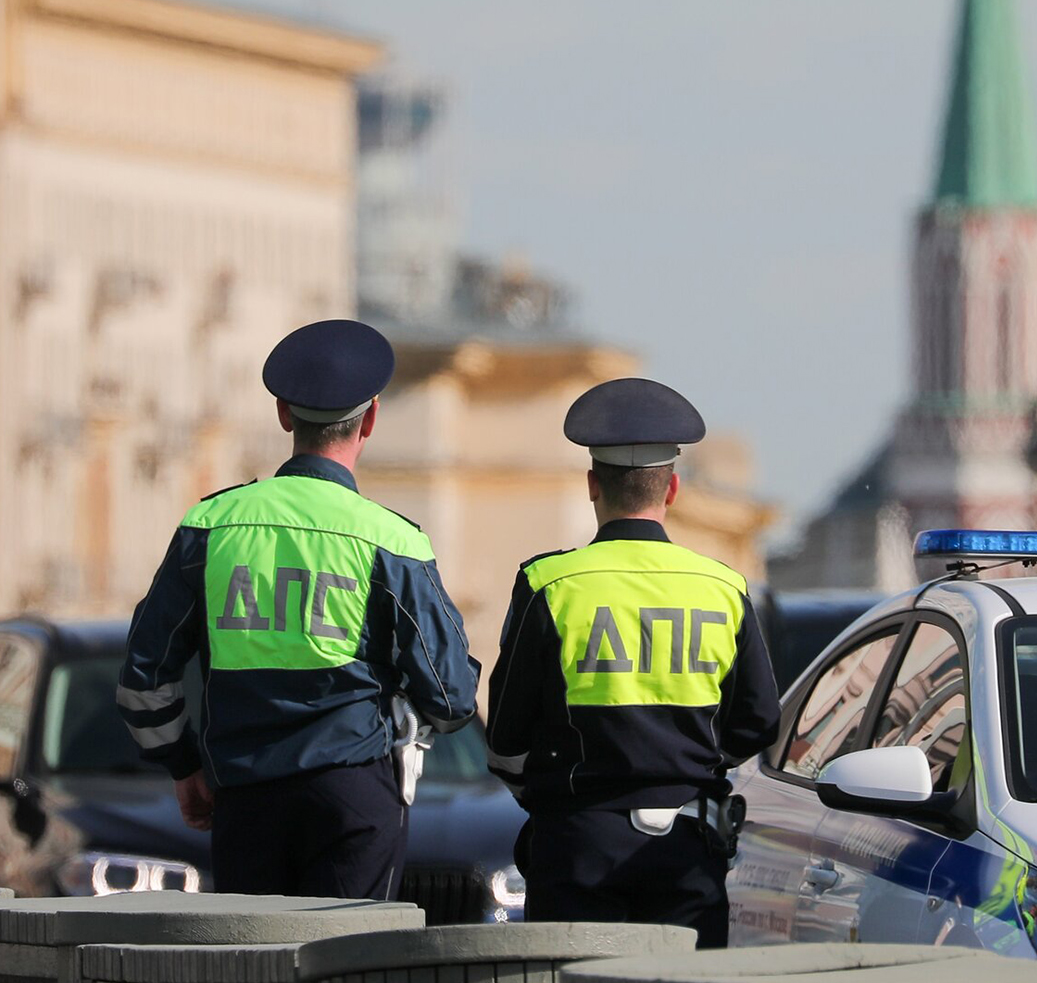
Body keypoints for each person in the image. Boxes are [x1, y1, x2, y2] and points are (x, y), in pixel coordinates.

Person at [117, 319, 479, 898]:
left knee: (255, 953)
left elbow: (144, 676)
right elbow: (452, 695)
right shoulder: (393, 541)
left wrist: (183, 766)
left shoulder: (210, 525)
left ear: (284, 414)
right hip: (353, 797)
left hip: (243, 799)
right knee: (352, 955)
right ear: (371, 419)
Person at [485, 378, 780, 944]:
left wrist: (551, 787)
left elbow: (505, 736)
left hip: (577, 845)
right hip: (689, 848)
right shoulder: (724, 588)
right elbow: (758, 724)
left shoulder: (549, 584)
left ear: (592, 484)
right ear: (673, 490)